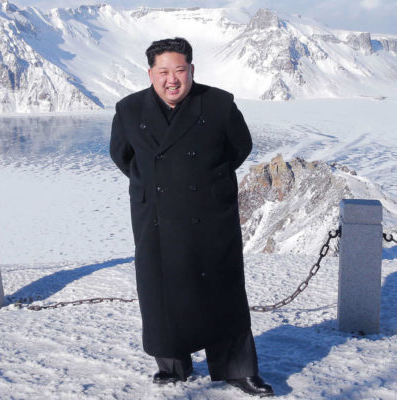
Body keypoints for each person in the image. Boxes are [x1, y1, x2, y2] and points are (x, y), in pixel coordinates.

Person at [109, 37, 274, 397]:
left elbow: (239, 147)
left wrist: (204, 180)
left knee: (222, 291)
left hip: (211, 217)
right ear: (151, 73)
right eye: (163, 71)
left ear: (191, 71)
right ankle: (173, 365)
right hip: (156, 218)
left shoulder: (218, 104)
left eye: (179, 70)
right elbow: (122, 156)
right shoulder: (129, 110)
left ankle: (237, 369)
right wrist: (155, 185)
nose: (172, 79)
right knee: (161, 292)